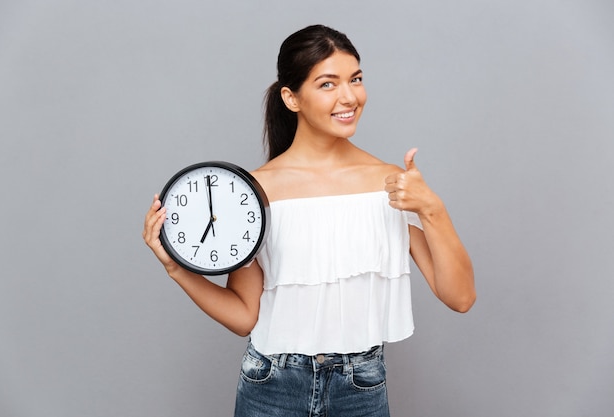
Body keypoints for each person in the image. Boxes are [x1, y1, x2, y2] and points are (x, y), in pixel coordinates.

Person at [143, 24, 475, 417]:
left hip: (361, 387)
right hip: (272, 387)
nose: (349, 96)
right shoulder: (258, 191)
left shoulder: (389, 184)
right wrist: (176, 270)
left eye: (356, 79)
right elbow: (243, 316)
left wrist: (431, 208)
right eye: (327, 84)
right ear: (291, 97)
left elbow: (460, 297)